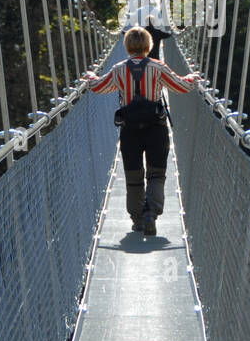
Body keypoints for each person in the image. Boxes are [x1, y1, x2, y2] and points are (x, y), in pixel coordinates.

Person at [84, 26, 199, 236]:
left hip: (130, 130)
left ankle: (137, 219)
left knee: (133, 175)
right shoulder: (158, 67)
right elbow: (181, 86)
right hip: (156, 128)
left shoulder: (119, 68)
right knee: (157, 173)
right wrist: (192, 77)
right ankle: (151, 214)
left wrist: (91, 77)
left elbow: (99, 87)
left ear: (127, 46)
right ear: (149, 45)